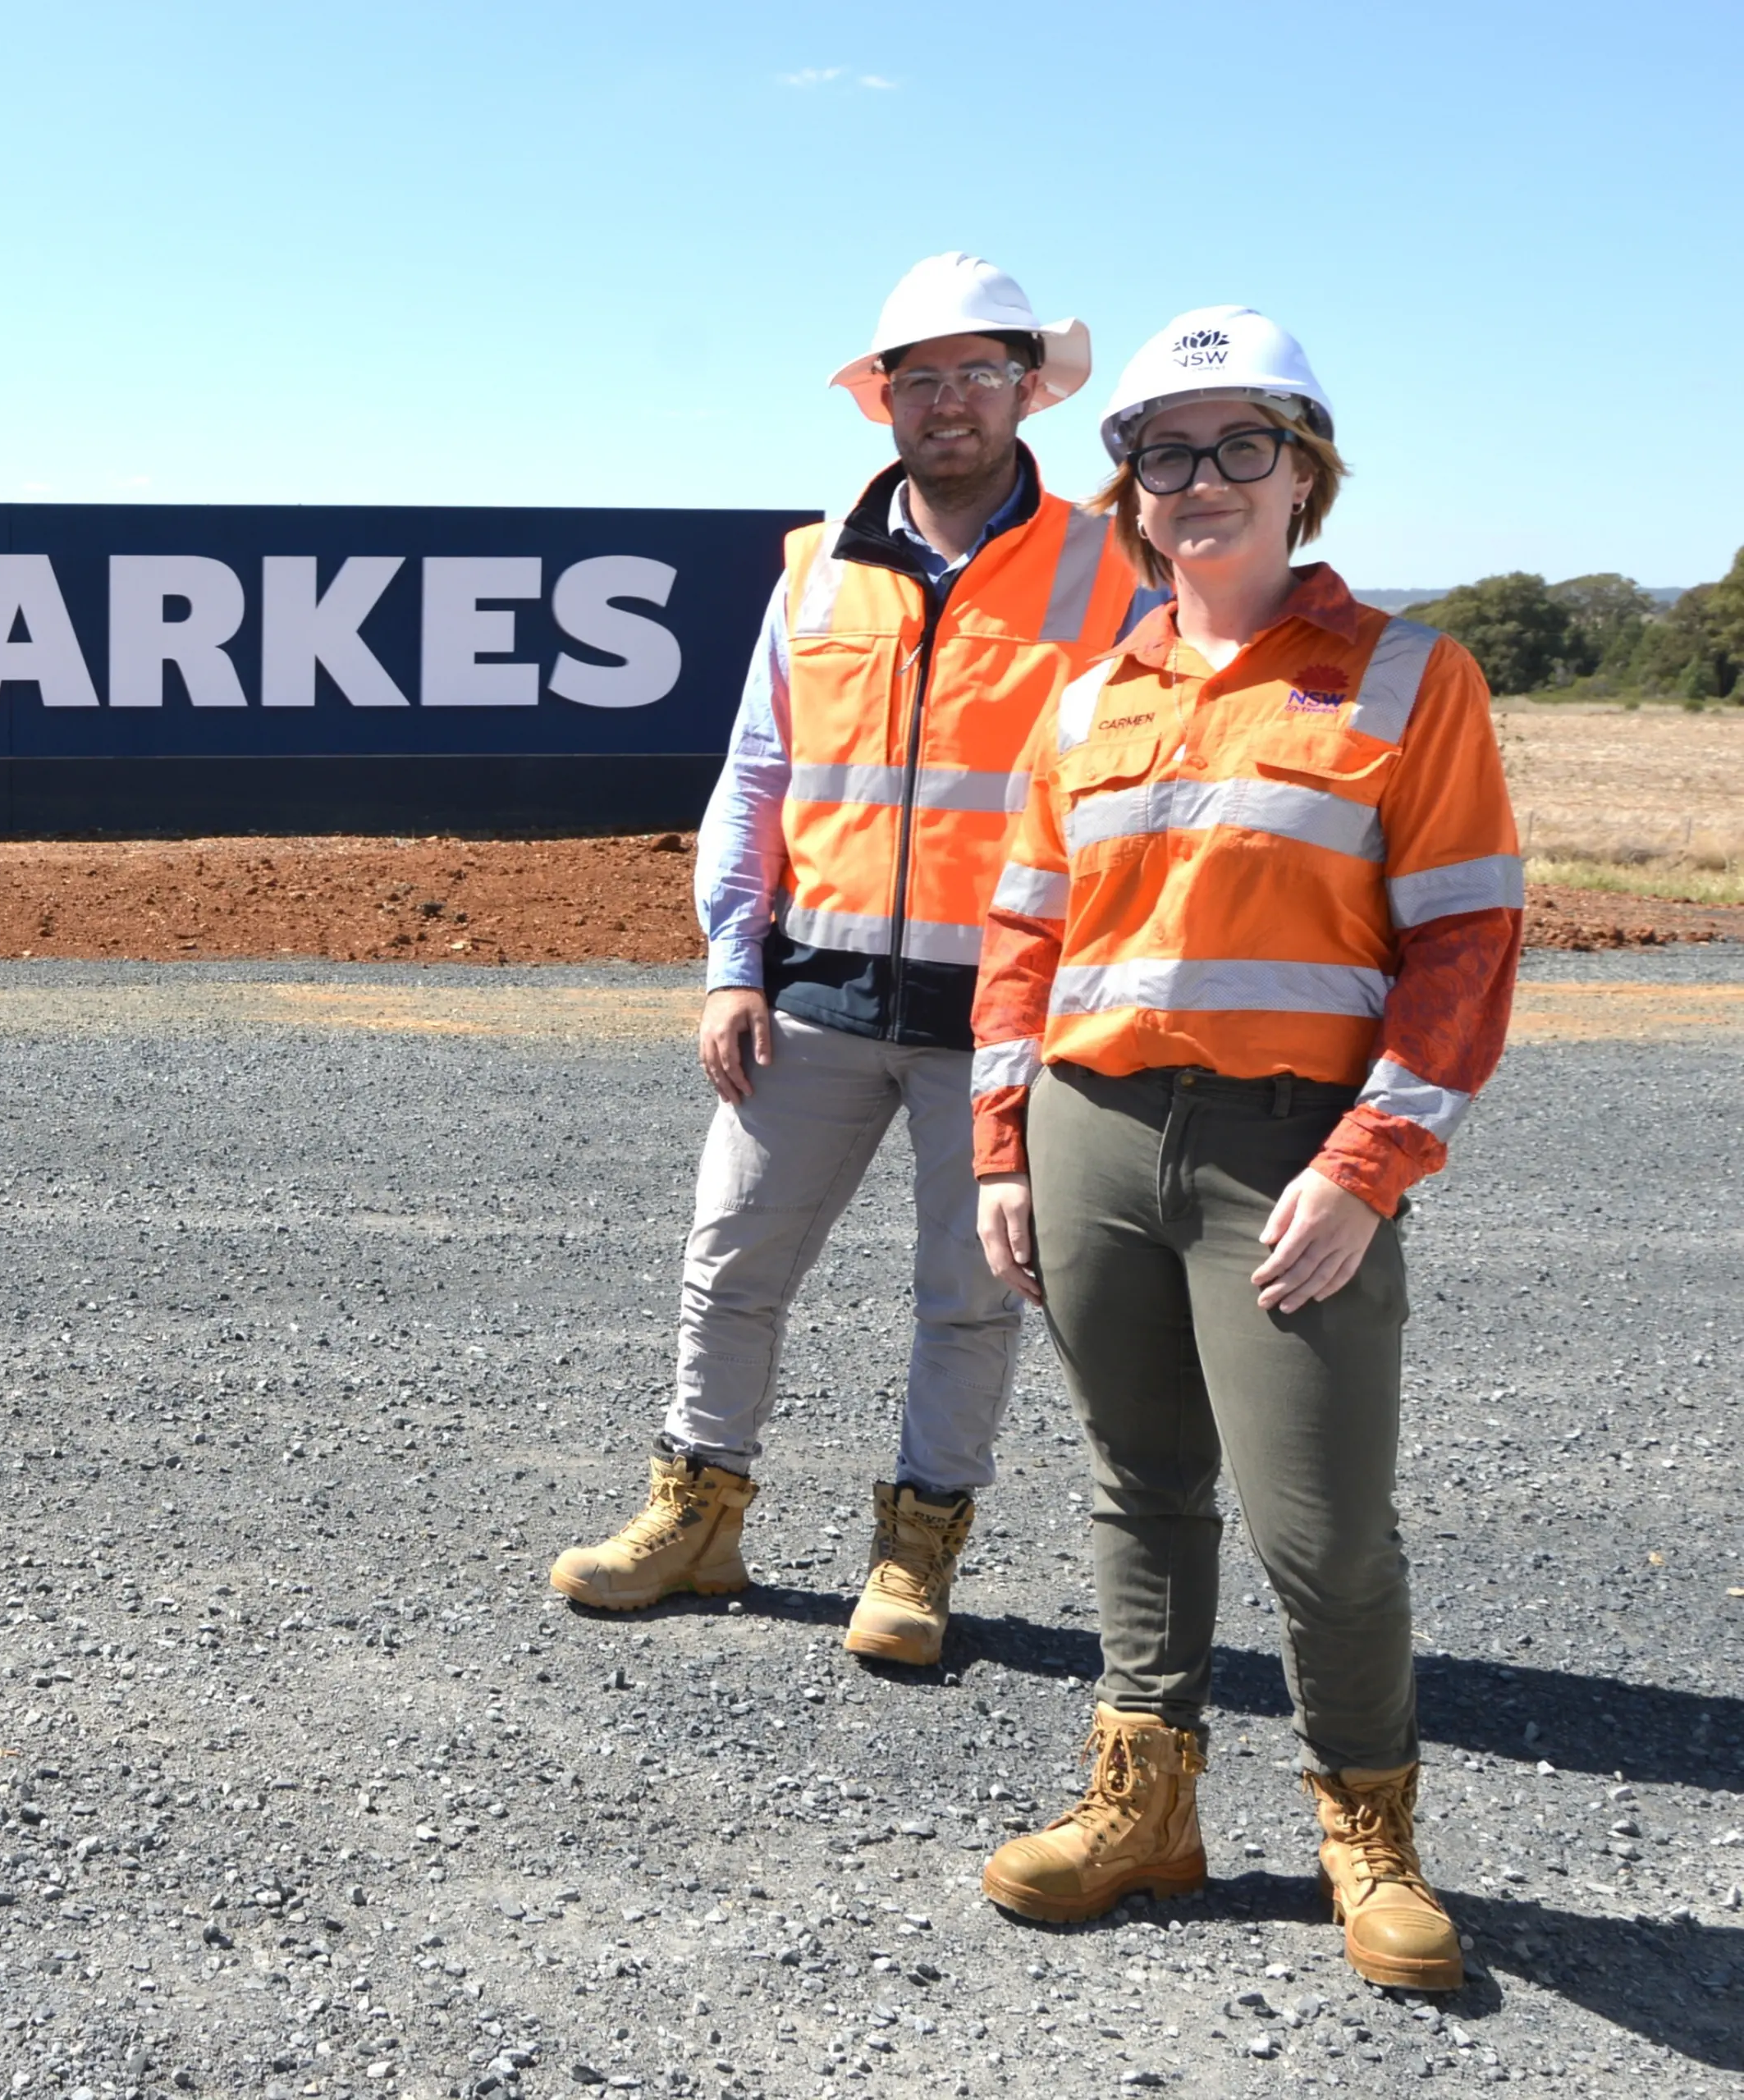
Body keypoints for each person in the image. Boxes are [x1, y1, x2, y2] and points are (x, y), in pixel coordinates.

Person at [969, 307, 1520, 1992]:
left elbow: (1465, 942)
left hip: (1289, 1153)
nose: (1200, 478)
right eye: (1164, 450)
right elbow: (1026, 932)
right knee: (1139, 1484)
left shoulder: (1410, 677)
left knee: (1321, 1526)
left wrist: (1366, 1165)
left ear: (1304, 473)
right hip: (1091, 1131)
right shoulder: (1085, 698)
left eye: (1241, 445)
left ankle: (1371, 1832)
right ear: (1126, 487)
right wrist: (1003, 1147)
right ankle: (1146, 1808)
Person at [549, 254, 1142, 1668]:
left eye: (978, 372)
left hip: (1003, 1011)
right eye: (919, 376)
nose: (949, 400)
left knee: (970, 1295)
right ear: (882, 398)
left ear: (1028, 390)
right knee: (729, 1261)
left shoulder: (1110, 568)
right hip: (810, 991)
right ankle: (696, 1516)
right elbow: (759, 770)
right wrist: (731, 959)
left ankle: (917, 1549)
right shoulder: (816, 570)